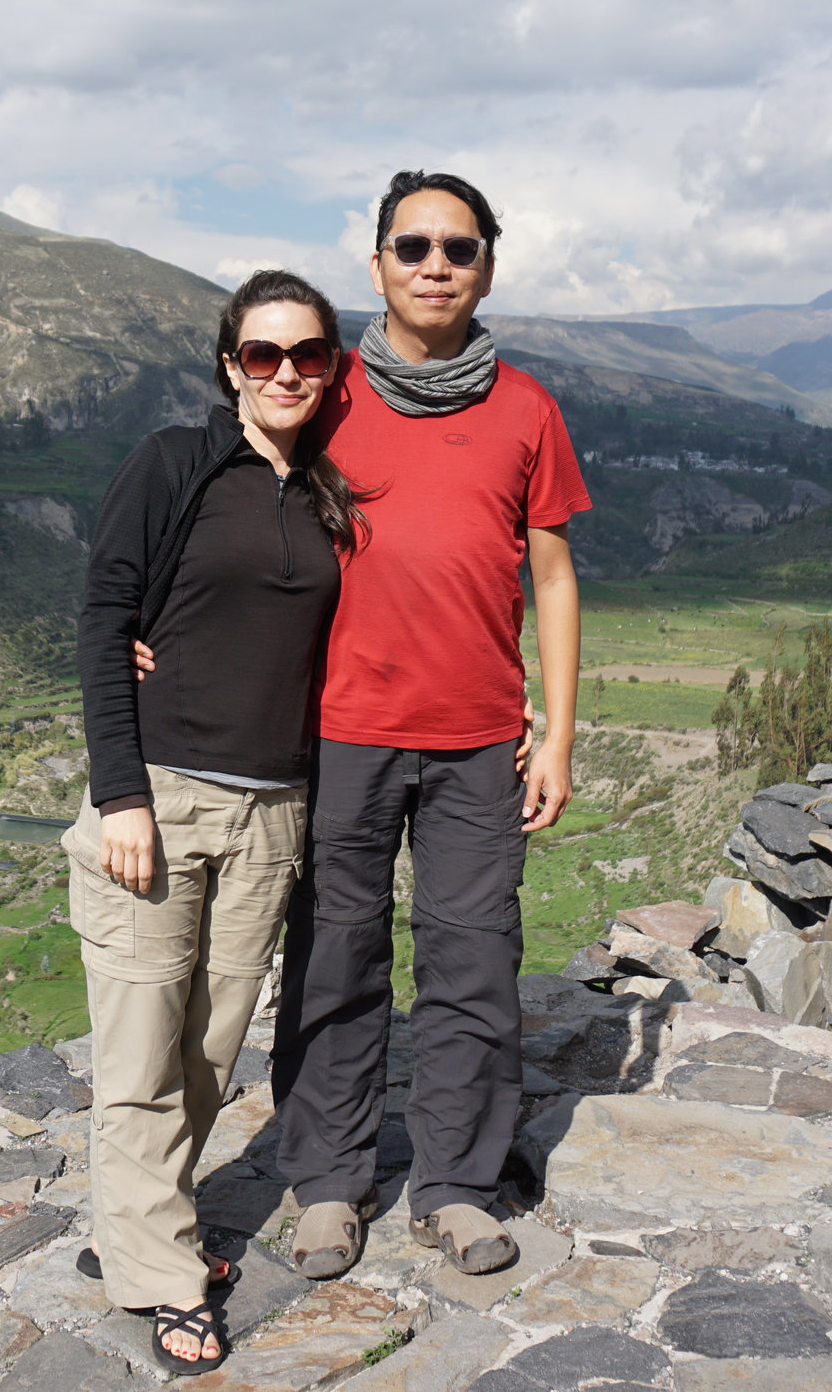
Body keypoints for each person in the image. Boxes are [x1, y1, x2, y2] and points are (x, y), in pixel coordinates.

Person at [276, 169, 589, 1279]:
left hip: (476, 738)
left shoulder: (527, 408)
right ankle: (328, 1179)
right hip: (342, 730)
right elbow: (229, 517)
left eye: (458, 247)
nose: (435, 264)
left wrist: (553, 732)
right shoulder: (320, 393)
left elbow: (550, 574)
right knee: (333, 957)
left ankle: (456, 1180)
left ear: (487, 266)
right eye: (412, 246)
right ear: (376, 266)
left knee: (473, 960)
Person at [69, 270, 364, 1374]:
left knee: (204, 1052)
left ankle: (136, 1223)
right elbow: (104, 618)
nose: (285, 372)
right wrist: (121, 793)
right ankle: (166, 1278)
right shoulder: (175, 465)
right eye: (260, 354)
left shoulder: (328, 490)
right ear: (229, 365)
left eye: (306, 354)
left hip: (273, 809)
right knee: (142, 1050)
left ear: (331, 366)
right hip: (163, 794)